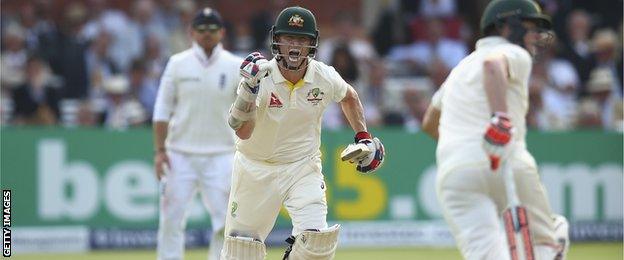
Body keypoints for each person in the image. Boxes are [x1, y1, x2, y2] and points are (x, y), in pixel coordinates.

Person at [220, 6, 385, 260]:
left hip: (302, 165)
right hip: (255, 168)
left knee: (318, 243)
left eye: (301, 39)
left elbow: (349, 96)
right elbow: (243, 132)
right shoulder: (259, 78)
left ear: (312, 44)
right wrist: (248, 92)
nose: (295, 46)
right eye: (289, 38)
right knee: (241, 252)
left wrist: (363, 136)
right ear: (277, 41)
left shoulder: (323, 76)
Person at [421, 1, 570, 259]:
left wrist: (463, 146)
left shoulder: (459, 69)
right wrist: (500, 119)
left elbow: (429, 122)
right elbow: (493, 66)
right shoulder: (514, 53)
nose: (535, 36)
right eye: (530, 27)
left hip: (455, 172)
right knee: (549, 238)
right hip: (507, 160)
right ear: (506, 26)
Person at [152, 7, 240, 260]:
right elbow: (162, 109)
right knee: (171, 219)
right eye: (201, 30)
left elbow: (247, 112)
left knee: (226, 222)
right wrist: (160, 151)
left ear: (222, 32)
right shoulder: (178, 63)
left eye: (212, 30)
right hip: (179, 153)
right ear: (191, 32)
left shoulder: (235, 65)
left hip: (223, 153)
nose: (207, 35)